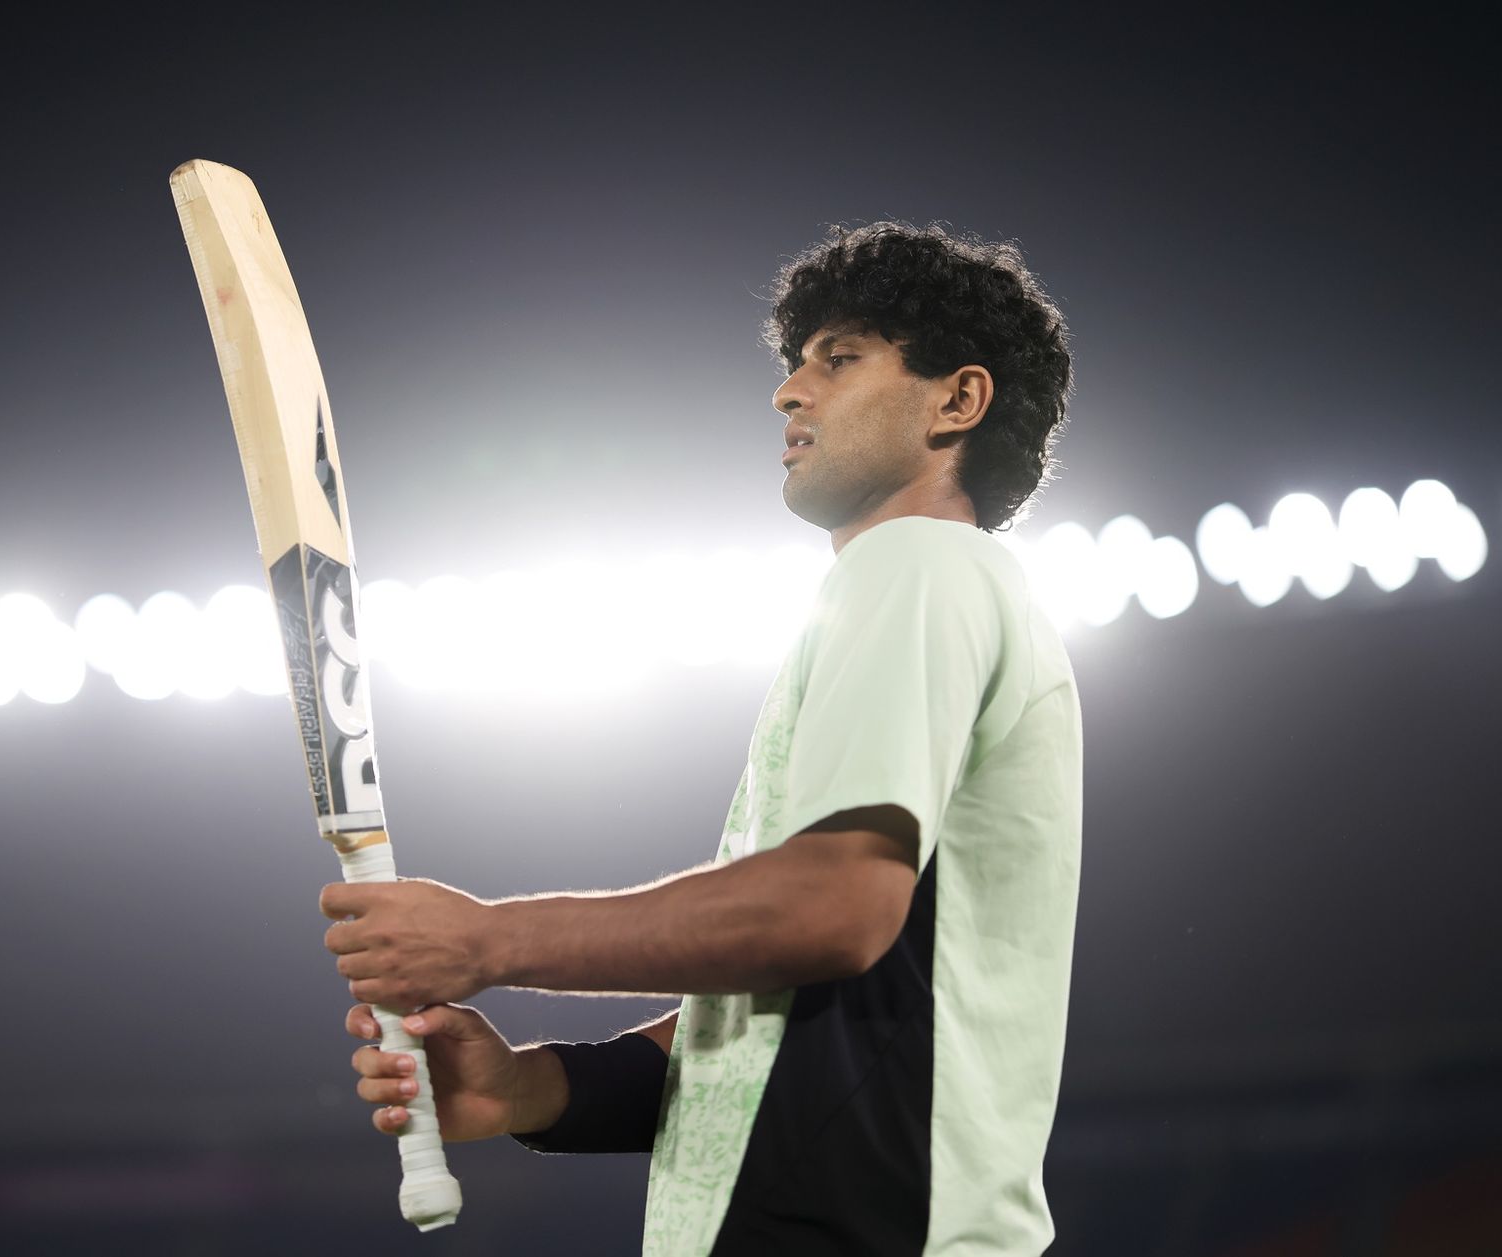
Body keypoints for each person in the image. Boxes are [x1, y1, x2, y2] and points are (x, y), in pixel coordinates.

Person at [320, 221, 1081, 1255]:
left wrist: (488, 939)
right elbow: (786, 1022)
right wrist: (531, 1087)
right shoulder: (929, 590)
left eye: (839, 358)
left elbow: (832, 908)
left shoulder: (917, 566)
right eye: (797, 361)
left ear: (958, 400)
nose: (789, 392)